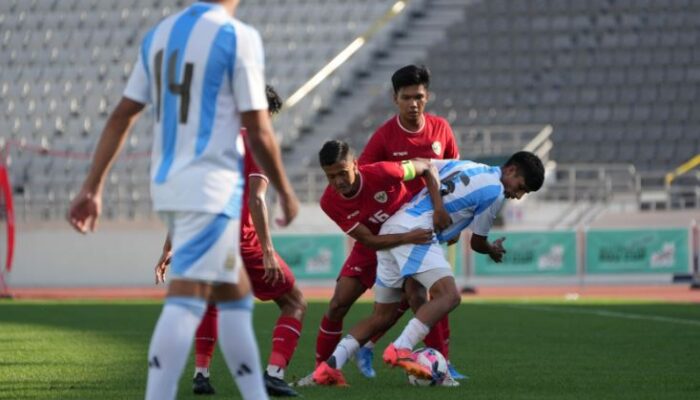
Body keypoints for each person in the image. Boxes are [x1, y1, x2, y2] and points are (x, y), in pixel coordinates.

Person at [67, 2, 298, 399]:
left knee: (234, 296)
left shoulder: (159, 35)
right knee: (187, 299)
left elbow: (123, 114)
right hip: (210, 186)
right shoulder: (237, 37)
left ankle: (254, 393)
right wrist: (287, 194)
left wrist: (93, 185)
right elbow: (259, 129)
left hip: (170, 182)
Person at [311, 152, 545, 386]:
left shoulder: (468, 166)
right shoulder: (495, 192)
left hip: (392, 228)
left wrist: (441, 207)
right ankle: (401, 348)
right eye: (521, 188)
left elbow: (428, 166)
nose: (517, 195)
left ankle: (329, 368)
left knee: (383, 316)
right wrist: (492, 250)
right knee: (450, 296)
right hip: (417, 232)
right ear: (511, 171)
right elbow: (477, 242)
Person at [154, 86, 304, 397]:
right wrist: (268, 251)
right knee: (294, 302)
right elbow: (256, 199)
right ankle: (274, 374)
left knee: (211, 302)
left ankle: (201, 374)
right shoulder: (260, 143)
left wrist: (170, 245)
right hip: (242, 240)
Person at [294, 139, 452, 386]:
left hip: (407, 236)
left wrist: (438, 208)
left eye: (342, 173)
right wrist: (407, 236)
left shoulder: (384, 172)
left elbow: (426, 167)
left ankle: (444, 369)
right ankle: (322, 373)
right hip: (377, 243)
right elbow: (369, 240)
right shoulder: (330, 201)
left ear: (355, 165)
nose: (338, 182)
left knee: (417, 297)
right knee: (337, 304)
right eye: (330, 176)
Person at [356, 64, 464, 379]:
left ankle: (377, 347)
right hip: (398, 229)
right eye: (406, 97)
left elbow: (453, 174)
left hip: (431, 226)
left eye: (418, 96)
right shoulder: (385, 136)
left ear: (427, 96)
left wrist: (453, 220)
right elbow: (364, 175)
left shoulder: (441, 129)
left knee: (422, 297)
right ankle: (437, 361)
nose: (413, 103)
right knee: (425, 297)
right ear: (395, 99)